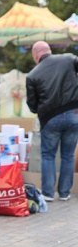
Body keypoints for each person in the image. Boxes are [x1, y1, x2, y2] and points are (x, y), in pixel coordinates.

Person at [26, 41, 78, 202]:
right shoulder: (69, 59)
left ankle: (48, 193)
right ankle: (64, 193)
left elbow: (32, 105)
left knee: (48, 155)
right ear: (49, 50)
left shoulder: (32, 75)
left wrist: (39, 110)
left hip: (50, 119)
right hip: (73, 114)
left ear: (36, 55)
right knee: (68, 155)